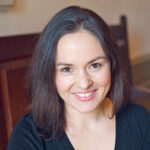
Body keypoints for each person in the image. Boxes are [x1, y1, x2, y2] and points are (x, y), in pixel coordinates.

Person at [7, 6, 150, 150]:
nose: (84, 83)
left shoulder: (140, 120)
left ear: (112, 64)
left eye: (94, 65)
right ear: (49, 74)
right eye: (67, 69)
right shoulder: (28, 135)